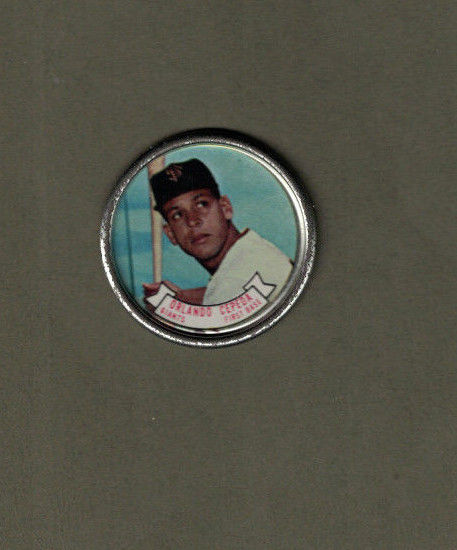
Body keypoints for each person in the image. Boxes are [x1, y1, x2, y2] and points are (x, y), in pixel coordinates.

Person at [143, 158, 293, 308]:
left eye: (201, 204)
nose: (192, 221)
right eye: (177, 215)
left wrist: (167, 310)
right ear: (170, 233)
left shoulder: (236, 280)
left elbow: (229, 291)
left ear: (225, 208)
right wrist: (180, 297)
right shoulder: (252, 253)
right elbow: (224, 290)